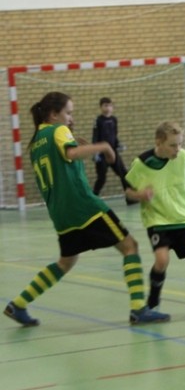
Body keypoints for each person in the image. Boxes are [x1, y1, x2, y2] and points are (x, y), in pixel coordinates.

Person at [3, 92, 170, 327]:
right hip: (84, 206)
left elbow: (64, 162)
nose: (71, 118)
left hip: (60, 213)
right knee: (130, 246)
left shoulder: (36, 142)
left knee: (65, 262)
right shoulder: (58, 130)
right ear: (54, 114)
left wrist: (81, 147)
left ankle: (19, 304)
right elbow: (70, 153)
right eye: (68, 113)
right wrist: (103, 146)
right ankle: (138, 309)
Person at [125, 122, 185, 318]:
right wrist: (140, 195)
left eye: (180, 144)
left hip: (181, 216)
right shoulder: (142, 163)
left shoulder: (183, 157)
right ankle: (153, 301)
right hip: (157, 219)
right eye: (172, 145)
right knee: (162, 260)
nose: (177, 149)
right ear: (159, 142)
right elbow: (128, 193)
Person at [92, 97, 131, 200]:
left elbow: (114, 135)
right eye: (105, 106)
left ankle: (130, 197)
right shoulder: (98, 120)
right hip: (102, 154)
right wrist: (95, 152)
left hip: (113, 152)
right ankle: (92, 198)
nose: (108, 108)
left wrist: (118, 144)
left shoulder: (114, 120)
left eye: (110, 106)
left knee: (124, 174)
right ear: (101, 107)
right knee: (101, 178)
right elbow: (95, 137)